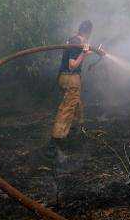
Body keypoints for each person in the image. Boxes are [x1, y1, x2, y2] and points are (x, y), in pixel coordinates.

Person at [48, 20, 93, 159]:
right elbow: (72, 65)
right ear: (88, 32)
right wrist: (84, 54)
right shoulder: (76, 42)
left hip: (68, 78)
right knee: (67, 108)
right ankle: (56, 140)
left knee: (76, 104)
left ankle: (76, 130)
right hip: (71, 78)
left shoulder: (75, 41)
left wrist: (89, 51)